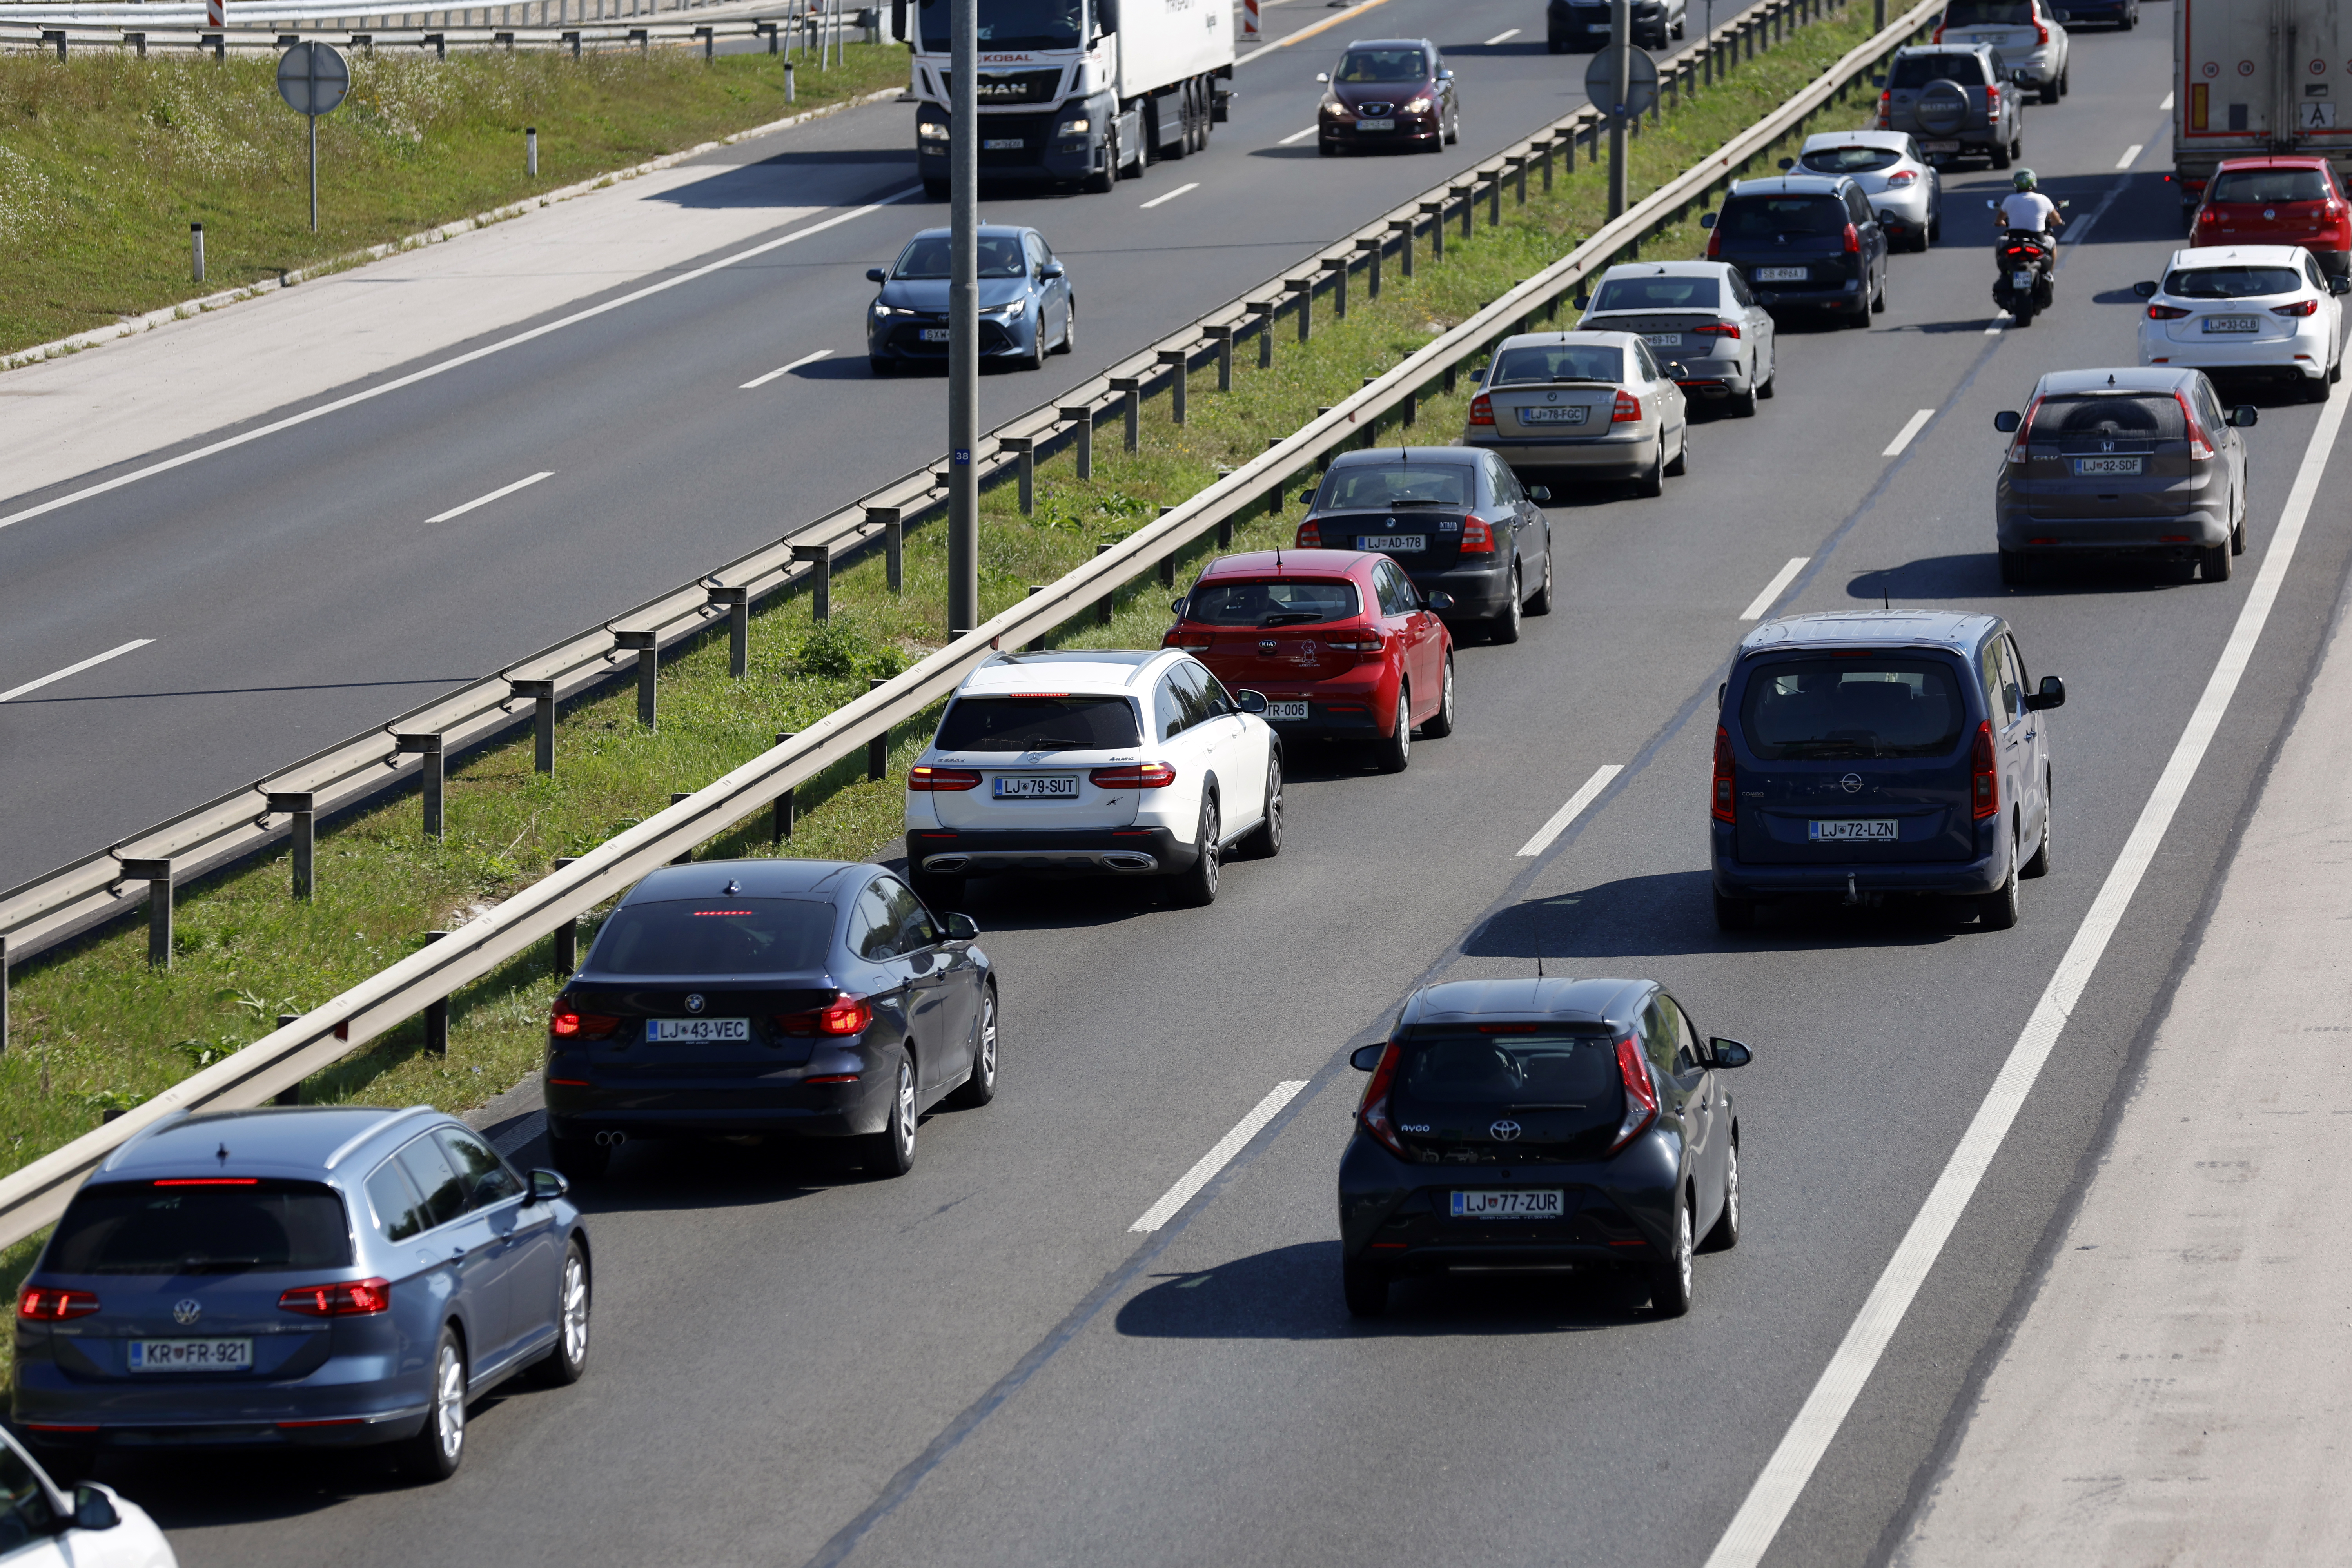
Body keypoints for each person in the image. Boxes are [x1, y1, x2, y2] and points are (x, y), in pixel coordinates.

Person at [1997, 169, 2063, 239]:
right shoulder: (2044, 199)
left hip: (2015, 239)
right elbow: (2057, 221)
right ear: (2034, 183)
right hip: (2038, 239)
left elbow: (1999, 220)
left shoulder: (2009, 199)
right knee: (2052, 241)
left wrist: (2001, 223)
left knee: (2000, 241)